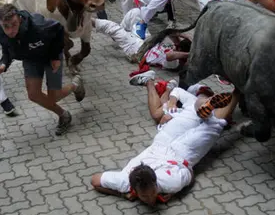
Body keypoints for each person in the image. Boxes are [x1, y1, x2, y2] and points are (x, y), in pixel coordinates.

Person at [90, 83, 236, 205]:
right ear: (135, 189)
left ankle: (221, 99)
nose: (150, 198)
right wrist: (121, 195)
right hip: (178, 149)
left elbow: (190, 175)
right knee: (211, 125)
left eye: (151, 193)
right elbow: (95, 181)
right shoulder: (129, 181)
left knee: (206, 122)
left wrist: (175, 191)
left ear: (156, 183)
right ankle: (234, 93)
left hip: (172, 146)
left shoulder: (168, 183)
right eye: (145, 196)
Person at [0, 4, 85, 135]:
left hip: (50, 56)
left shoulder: (38, 25)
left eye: (13, 24)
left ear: (19, 18)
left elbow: (59, 29)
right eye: (6, 26)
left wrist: (55, 57)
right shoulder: (0, 32)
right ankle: (64, 115)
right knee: (33, 95)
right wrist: (3, 65)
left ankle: (75, 85)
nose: (10, 31)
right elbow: (7, 51)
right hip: (31, 59)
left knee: (54, 96)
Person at [93, 7, 190, 66]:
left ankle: (87, 21)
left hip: (137, 49)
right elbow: (170, 33)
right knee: (136, 12)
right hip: (147, 41)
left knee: (112, 27)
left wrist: (189, 54)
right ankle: (122, 34)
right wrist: (187, 37)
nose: (175, 46)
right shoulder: (177, 49)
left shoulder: (175, 62)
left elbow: (170, 55)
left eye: (178, 46)